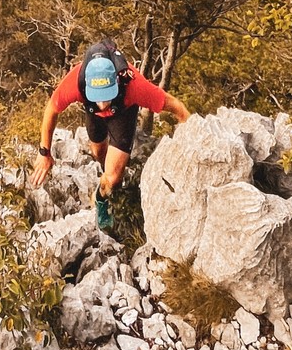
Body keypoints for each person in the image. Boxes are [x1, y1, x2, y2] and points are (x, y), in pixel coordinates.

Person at [31, 39, 190, 230]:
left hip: (123, 112)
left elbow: (176, 107)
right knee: (98, 152)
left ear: (116, 81)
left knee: (113, 176)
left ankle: (102, 197)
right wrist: (44, 153)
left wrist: (193, 134)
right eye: (98, 97)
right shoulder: (76, 81)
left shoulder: (134, 85)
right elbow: (52, 109)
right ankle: (109, 172)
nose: (103, 104)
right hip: (93, 114)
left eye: (107, 96)